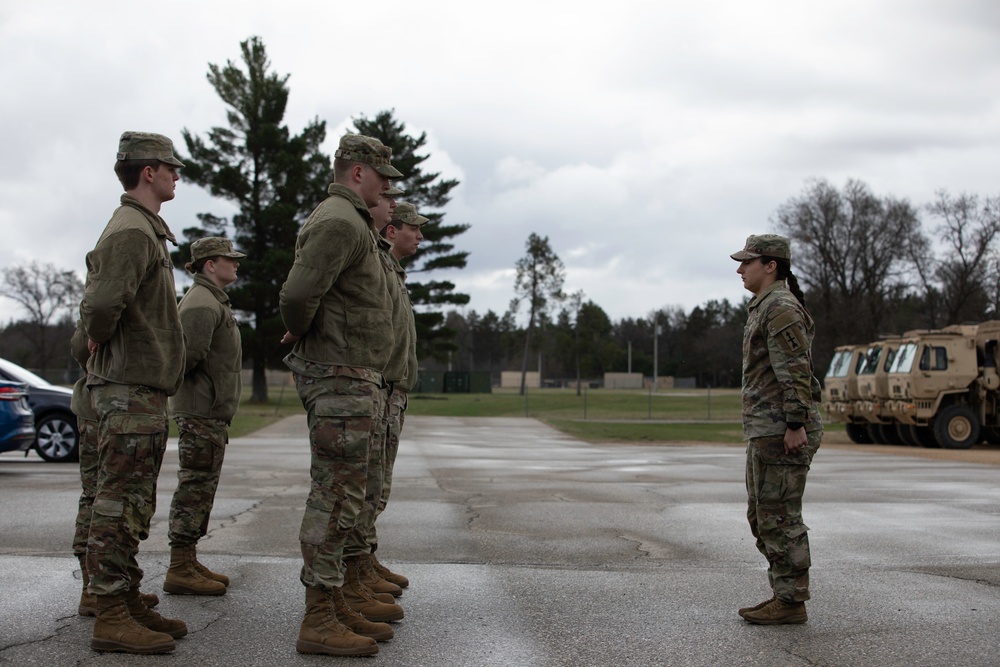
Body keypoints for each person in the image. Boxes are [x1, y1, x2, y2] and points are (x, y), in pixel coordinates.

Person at [279, 133, 404, 657]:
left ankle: (335, 603)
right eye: (383, 176)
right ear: (357, 172)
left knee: (349, 496)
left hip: (354, 378)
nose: (388, 187)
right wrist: (301, 332)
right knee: (334, 498)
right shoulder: (337, 219)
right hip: (337, 375)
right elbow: (298, 294)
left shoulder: (352, 221)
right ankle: (319, 616)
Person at [79, 131, 188, 653]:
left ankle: (122, 594)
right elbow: (101, 307)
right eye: (171, 167)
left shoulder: (145, 229)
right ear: (150, 172)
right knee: (118, 502)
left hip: (139, 389)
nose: (176, 175)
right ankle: (109, 612)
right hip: (126, 390)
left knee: (131, 502)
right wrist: (98, 338)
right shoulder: (132, 231)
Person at [731, 234, 823, 625]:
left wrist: (795, 423)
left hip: (783, 430)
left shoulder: (780, 307)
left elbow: (797, 371)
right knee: (761, 514)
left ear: (771, 266)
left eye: (748, 262)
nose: (740, 269)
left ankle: (791, 601)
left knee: (780, 516)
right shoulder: (765, 306)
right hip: (766, 429)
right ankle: (783, 594)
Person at [163, 237, 247, 596]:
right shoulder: (201, 304)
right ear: (209, 265)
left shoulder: (212, 300)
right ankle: (180, 566)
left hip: (208, 411)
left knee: (201, 487)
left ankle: (188, 558)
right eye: (229, 259)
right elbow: (186, 358)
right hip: (200, 411)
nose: (236, 264)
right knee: (194, 488)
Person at [357, 201, 427, 593]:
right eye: (412, 228)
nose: (419, 236)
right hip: (378, 389)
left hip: (391, 390)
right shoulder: (379, 267)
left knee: (376, 488)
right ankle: (355, 570)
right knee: (366, 487)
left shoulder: (393, 271)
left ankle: (364, 559)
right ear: (390, 231)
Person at [70, 322, 160, 617]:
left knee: (99, 495)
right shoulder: (106, 298)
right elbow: (80, 343)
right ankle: (94, 589)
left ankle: (106, 586)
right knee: (101, 496)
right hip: (102, 405)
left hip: (102, 404)